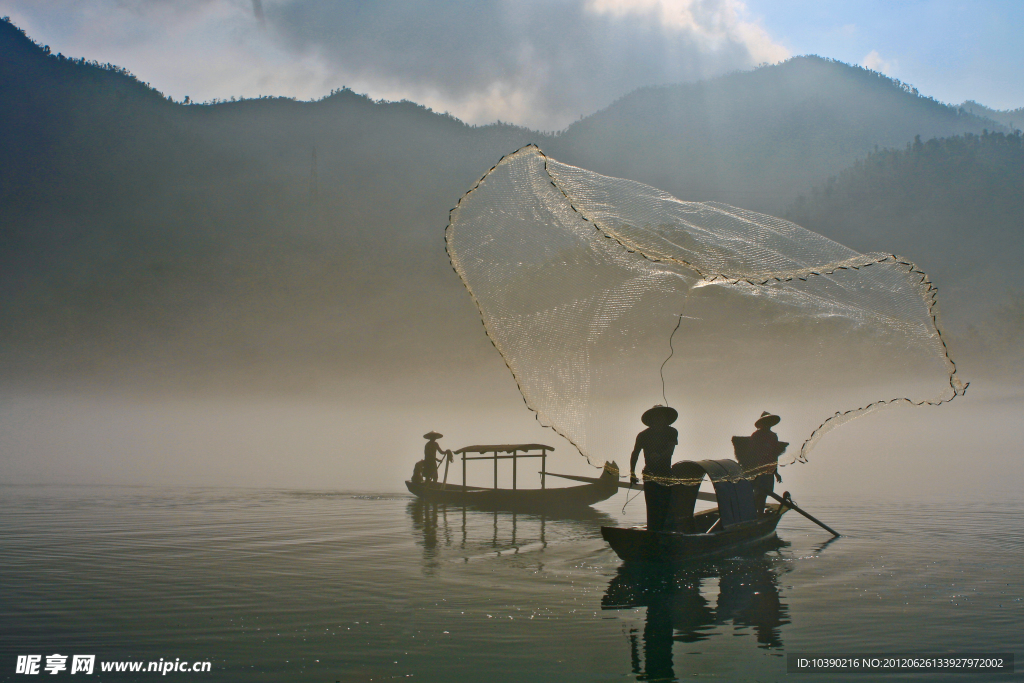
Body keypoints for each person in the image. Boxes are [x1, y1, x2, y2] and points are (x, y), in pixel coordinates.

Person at [629, 405, 679, 532]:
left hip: (666, 474)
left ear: (665, 418)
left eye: (661, 416)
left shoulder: (671, 432)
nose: (658, 419)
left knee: (667, 506)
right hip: (649, 474)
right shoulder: (643, 435)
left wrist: (660, 456)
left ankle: (665, 531)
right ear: (651, 420)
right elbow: (635, 453)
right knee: (652, 507)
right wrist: (632, 473)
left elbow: (670, 451)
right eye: (656, 417)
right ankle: (653, 532)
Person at [731, 412, 788, 515]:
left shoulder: (773, 436)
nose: (767, 425)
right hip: (757, 469)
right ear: (761, 424)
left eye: (769, 423)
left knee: (764, 493)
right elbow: (751, 453)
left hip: (768, 470)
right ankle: (751, 513)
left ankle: (760, 514)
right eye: (765, 422)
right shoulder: (756, 435)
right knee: (757, 493)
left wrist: (776, 472)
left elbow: (774, 455)